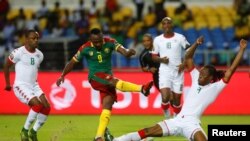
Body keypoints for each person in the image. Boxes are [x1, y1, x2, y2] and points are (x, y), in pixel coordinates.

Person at [110, 37, 248, 141]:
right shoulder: (195, 77)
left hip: (192, 124)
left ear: (210, 78)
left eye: (204, 74)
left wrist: (241, 50)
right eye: (201, 72)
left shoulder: (216, 87)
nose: (200, 75)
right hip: (177, 120)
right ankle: (117, 140)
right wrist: (196, 44)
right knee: (146, 132)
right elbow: (188, 58)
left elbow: (230, 71)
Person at [56, 28, 153, 141]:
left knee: (107, 105)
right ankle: (142, 88)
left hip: (108, 79)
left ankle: (98, 137)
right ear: (90, 40)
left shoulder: (110, 42)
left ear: (103, 37)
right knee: (113, 81)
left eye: (100, 41)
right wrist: (63, 75)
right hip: (95, 77)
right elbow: (72, 63)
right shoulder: (85, 48)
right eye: (95, 42)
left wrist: (128, 52)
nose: (98, 44)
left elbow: (123, 50)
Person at [4, 29, 51, 141]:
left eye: (37, 38)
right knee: (37, 105)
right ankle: (24, 130)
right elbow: (6, 66)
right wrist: (7, 83)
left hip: (34, 85)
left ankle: (33, 132)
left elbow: (33, 69)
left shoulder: (40, 55)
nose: (35, 40)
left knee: (47, 107)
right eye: (32, 38)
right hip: (21, 85)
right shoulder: (18, 52)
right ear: (26, 39)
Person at [151, 17, 190, 117]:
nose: (166, 25)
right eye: (164, 24)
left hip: (178, 72)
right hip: (165, 71)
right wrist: (161, 60)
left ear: (172, 25)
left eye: (168, 23)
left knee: (177, 100)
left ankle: (177, 119)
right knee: (165, 97)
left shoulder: (180, 37)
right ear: (162, 26)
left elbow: (189, 50)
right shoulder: (157, 40)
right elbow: (154, 57)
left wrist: (184, 63)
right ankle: (166, 113)